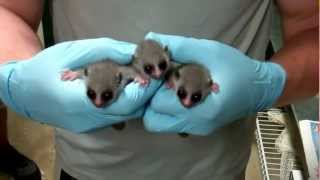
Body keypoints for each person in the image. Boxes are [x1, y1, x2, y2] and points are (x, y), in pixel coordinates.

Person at [0, 0, 318, 180]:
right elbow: (8, 11)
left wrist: (270, 82)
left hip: (218, 170)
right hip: (88, 170)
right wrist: (21, 80)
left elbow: (311, 26)